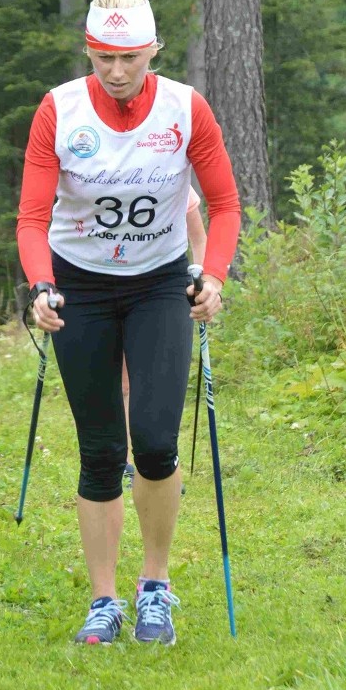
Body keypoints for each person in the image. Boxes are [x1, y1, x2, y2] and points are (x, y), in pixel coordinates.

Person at [17, 0, 240, 646]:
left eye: (129, 58)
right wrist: (40, 285)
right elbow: (32, 217)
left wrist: (214, 275)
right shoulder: (58, 109)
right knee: (99, 448)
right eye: (103, 57)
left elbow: (225, 204)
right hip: (79, 286)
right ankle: (104, 600)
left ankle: (155, 586)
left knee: (154, 439)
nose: (116, 71)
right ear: (89, 52)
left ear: (153, 52)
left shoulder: (184, 108)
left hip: (156, 284)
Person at [122, 189, 206, 486]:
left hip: (158, 291)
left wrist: (204, 281)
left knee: (157, 381)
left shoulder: (173, 177)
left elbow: (198, 238)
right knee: (122, 381)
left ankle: (160, 459)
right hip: (103, 290)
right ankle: (126, 462)